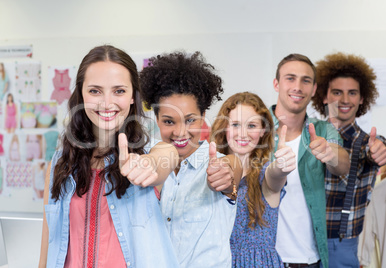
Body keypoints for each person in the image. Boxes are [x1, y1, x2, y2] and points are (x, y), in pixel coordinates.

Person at [38, 45, 180, 268]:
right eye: (95, 91)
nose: (106, 102)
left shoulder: (149, 153)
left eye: (119, 91)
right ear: (81, 95)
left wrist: (149, 164)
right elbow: (48, 247)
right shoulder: (59, 164)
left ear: (133, 96)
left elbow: (167, 155)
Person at [140, 51, 242, 268]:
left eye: (190, 120)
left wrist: (226, 178)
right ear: (156, 119)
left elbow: (232, 172)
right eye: (169, 121)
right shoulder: (144, 163)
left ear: (203, 116)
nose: (180, 132)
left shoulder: (220, 164)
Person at [311, 52, 386, 268]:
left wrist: (383, 149)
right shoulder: (308, 137)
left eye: (352, 93)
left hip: (342, 246)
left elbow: (378, 148)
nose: (345, 100)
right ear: (324, 96)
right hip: (303, 243)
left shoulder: (368, 143)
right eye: (337, 92)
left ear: (362, 98)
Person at [270, 53, 350, 268]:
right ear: (276, 83)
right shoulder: (253, 128)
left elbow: (343, 164)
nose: (298, 86)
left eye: (305, 80)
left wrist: (331, 153)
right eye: (290, 78)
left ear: (313, 89)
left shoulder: (324, 130)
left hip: (309, 260)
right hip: (261, 258)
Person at [211, 92, 296, 267]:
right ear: (224, 128)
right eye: (235, 124)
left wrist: (282, 166)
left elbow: (275, 176)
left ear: (263, 130)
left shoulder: (266, 174)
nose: (243, 133)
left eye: (251, 125)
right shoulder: (212, 173)